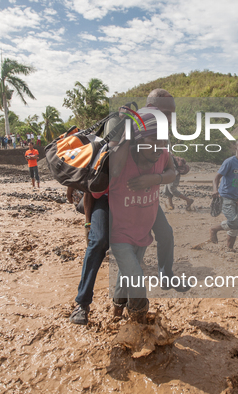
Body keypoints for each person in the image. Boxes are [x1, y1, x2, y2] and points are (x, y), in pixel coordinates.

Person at [69, 89, 187, 326]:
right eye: (167, 112)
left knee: (163, 233)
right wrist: (88, 223)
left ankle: (155, 282)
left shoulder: (158, 132)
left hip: (140, 200)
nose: (171, 118)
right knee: (99, 241)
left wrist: (163, 172)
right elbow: (100, 178)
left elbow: (165, 159)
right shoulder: (129, 126)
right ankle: (83, 303)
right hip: (111, 194)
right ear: (152, 107)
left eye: (172, 113)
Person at [209, 138, 238, 250]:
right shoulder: (229, 162)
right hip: (225, 196)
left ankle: (229, 249)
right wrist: (215, 190)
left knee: (236, 224)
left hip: (235, 198)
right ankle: (214, 229)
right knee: (233, 221)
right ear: (236, 148)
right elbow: (216, 177)